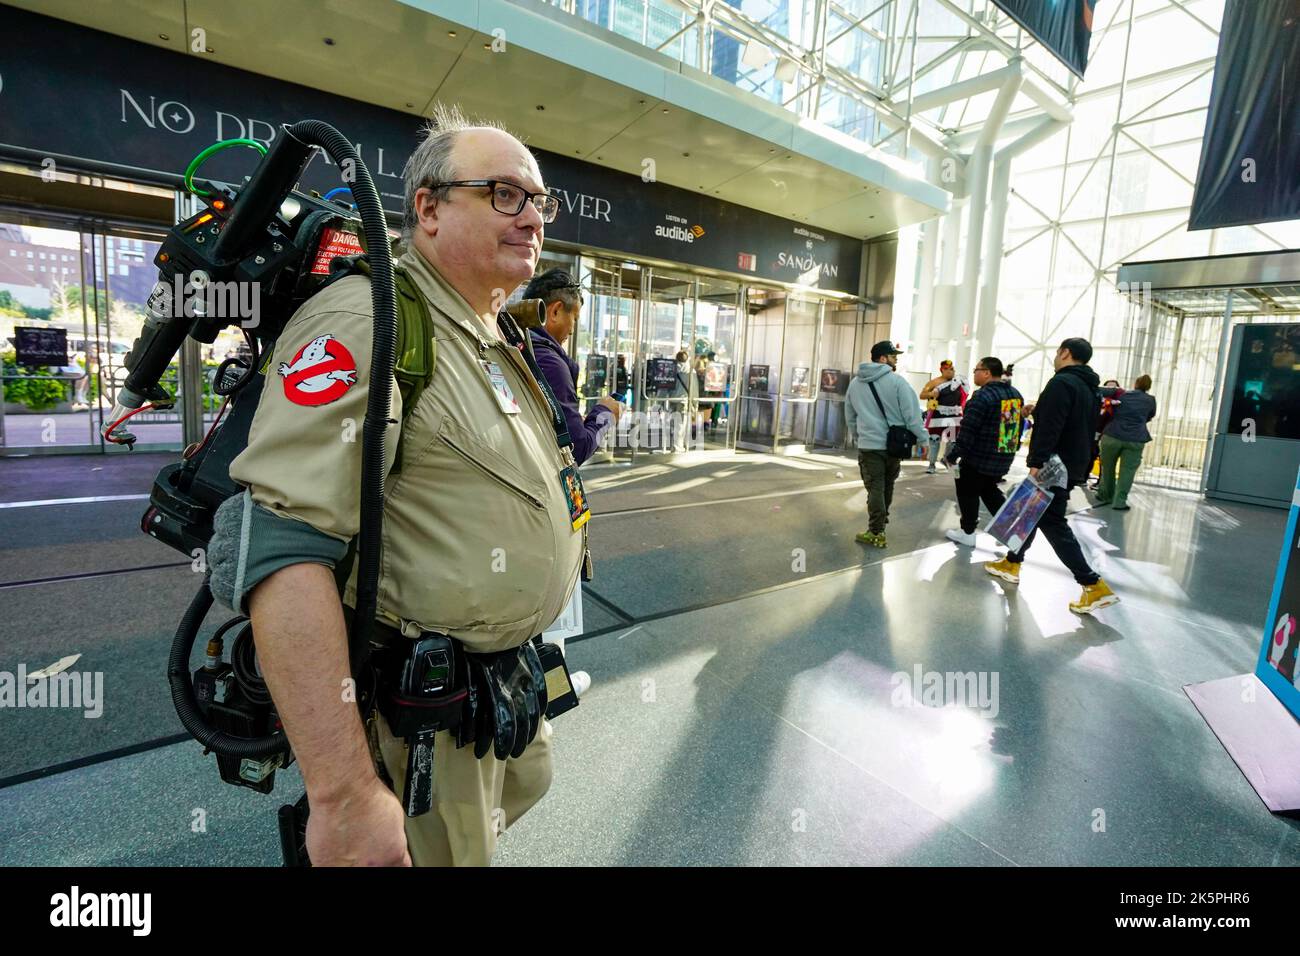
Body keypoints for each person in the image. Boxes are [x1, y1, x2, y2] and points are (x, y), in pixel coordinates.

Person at [207, 105, 585, 866]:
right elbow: (281, 547)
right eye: (505, 194)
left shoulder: (492, 332)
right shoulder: (368, 321)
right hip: (417, 720)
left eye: (540, 200)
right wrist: (343, 794)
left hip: (494, 693)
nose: (532, 217)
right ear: (430, 207)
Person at [984, 337, 1119, 615]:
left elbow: (1052, 427)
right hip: (1073, 462)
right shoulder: (1090, 387)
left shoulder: (1061, 382)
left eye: (1058, 352)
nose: (1055, 357)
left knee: (1052, 521)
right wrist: (1039, 410)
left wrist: (1036, 461)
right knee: (1033, 511)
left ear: (1065, 353)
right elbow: (1074, 423)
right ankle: (1012, 561)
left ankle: (1092, 584)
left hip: (1053, 464)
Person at [522, 267, 622, 466]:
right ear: (556, 311)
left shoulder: (515, 345)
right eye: (574, 318)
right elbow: (577, 449)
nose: (573, 328)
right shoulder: (551, 364)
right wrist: (605, 413)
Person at [844, 341, 928, 548]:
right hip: (894, 445)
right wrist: (923, 439)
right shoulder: (898, 383)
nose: (896, 358)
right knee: (886, 486)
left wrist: (859, 435)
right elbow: (912, 416)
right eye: (892, 355)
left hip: (870, 446)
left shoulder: (855, 384)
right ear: (882, 358)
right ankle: (879, 526)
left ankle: (876, 530)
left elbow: (850, 416)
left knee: (876, 488)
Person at [942, 356, 1023, 546]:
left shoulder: (982, 396)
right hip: (1001, 457)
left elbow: (968, 430)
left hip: (978, 457)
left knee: (967, 491)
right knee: (989, 491)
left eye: (976, 370)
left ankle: (968, 533)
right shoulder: (1014, 393)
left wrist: (953, 455)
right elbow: (1014, 429)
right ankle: (1011, 531)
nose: (974, 374)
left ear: (986, 372)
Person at [1096, 374, 1156, 511]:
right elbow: (1150, 416)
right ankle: (1119, 502)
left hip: (1112, 436)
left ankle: (1105, 495)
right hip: (1136, 439)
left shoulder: (1119, 393)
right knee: (1127, 472)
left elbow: (1097, 389)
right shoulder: (1151, 400)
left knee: (1108, 468)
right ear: (1149, 386)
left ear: (1135, 383)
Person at [919, 359, 966, 475]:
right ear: (942, 370)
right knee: (934, 440)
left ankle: (947, 460)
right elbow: (922, 395)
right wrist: (931, 394)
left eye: (952, 369)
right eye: (947, 369)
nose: (950, 371)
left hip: (954, 416)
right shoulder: (934, 382)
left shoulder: (959, 382)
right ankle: (931, 464)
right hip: (938, 415)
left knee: (952, 442)